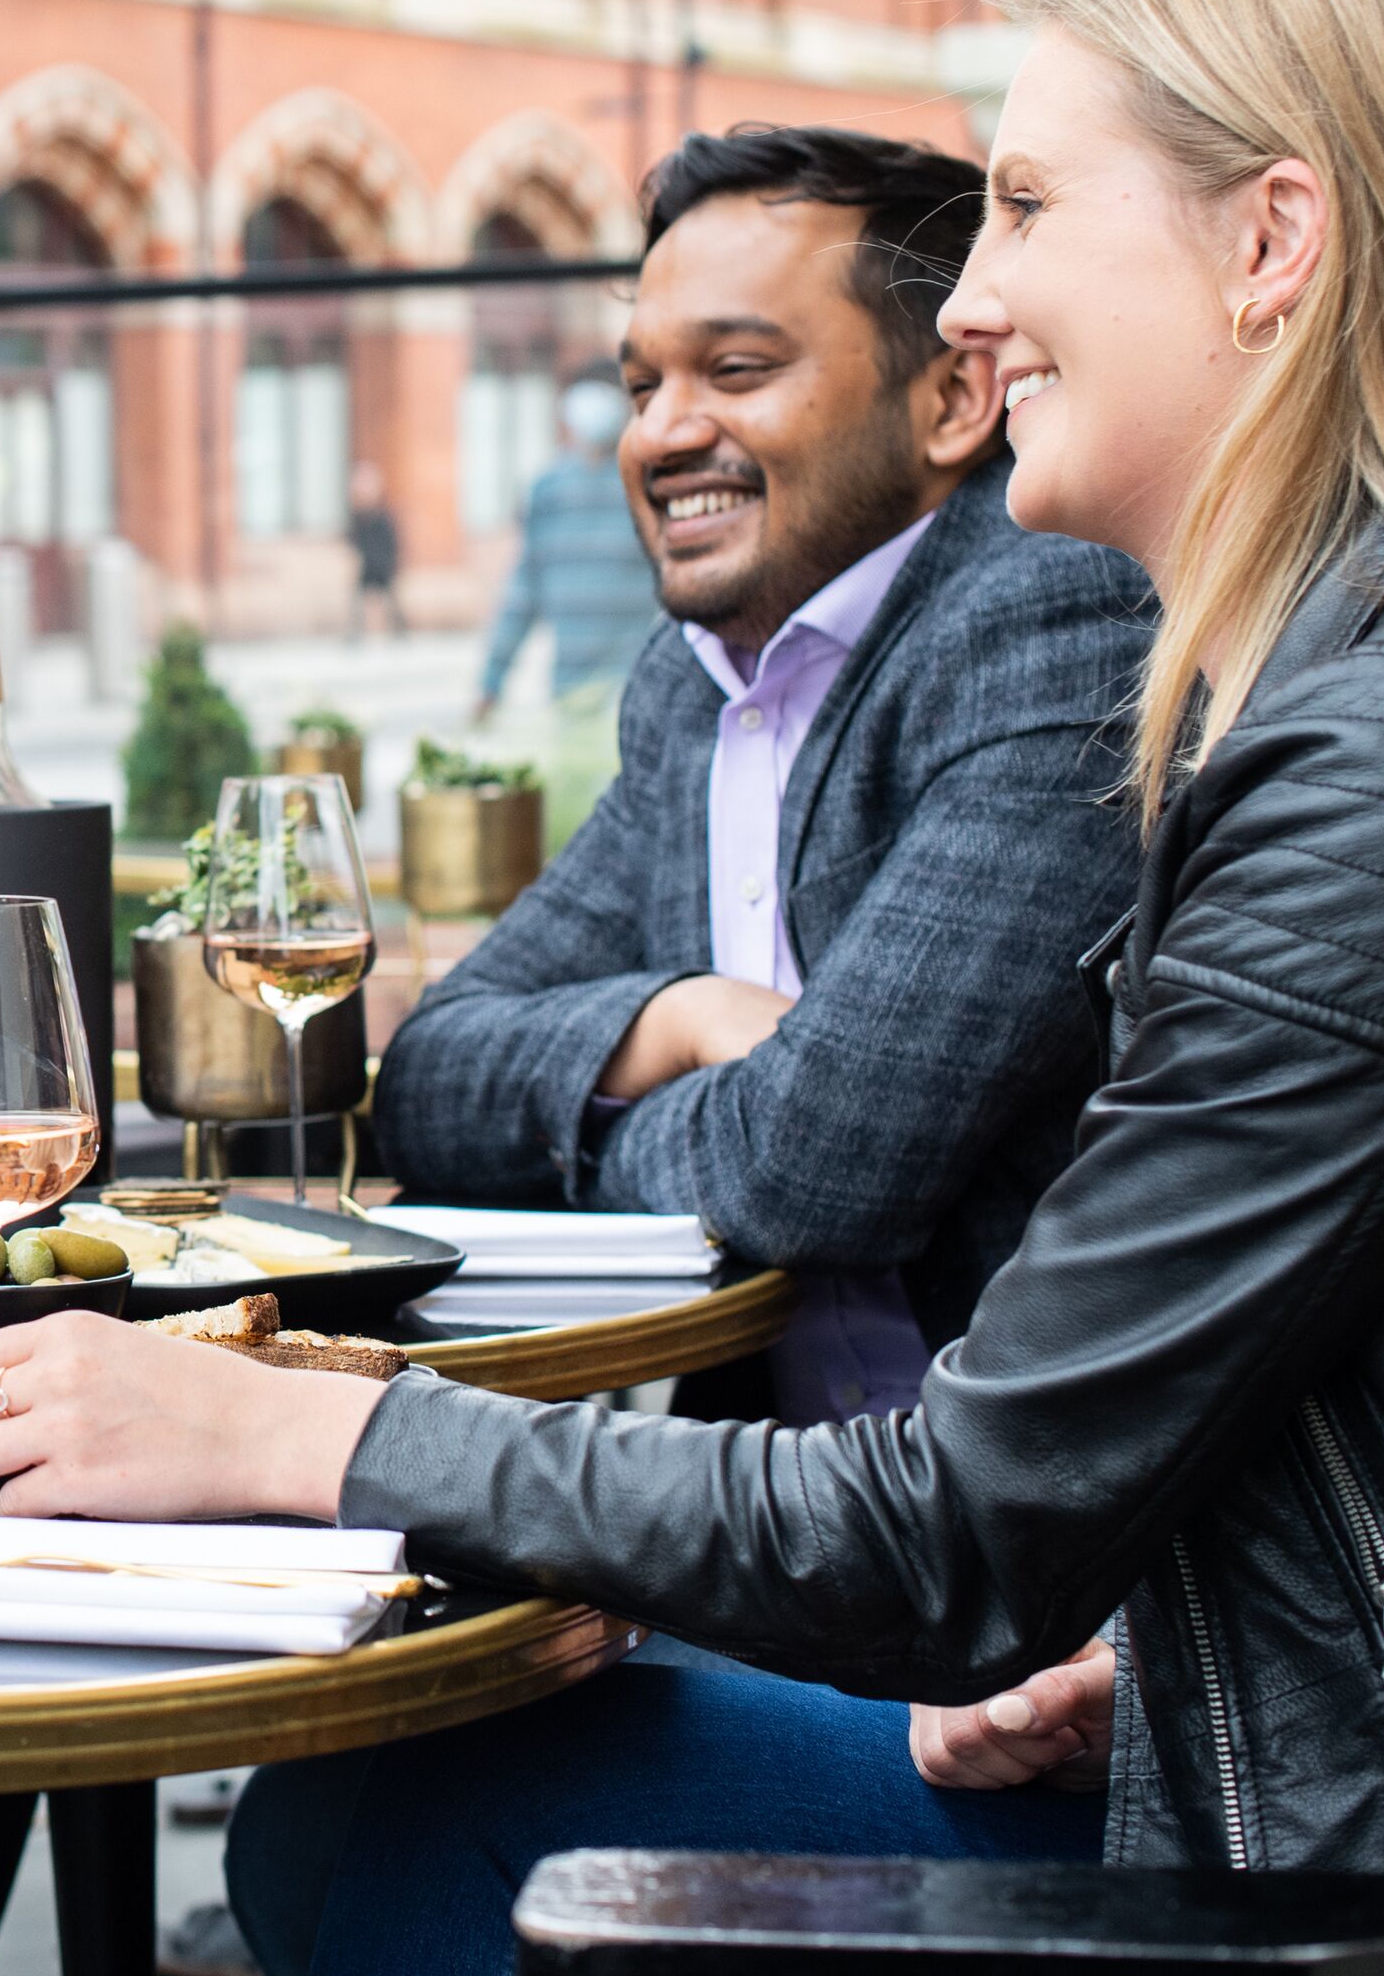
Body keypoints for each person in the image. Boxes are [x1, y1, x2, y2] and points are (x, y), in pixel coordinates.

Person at [0, 0, 1384, 1976]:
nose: (979, 304)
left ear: (1272, 245)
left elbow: (948, 1503)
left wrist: (311, 1425)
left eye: (1034, 209)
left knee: (437, 1802)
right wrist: (1179, 1621)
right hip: (1323, 1746)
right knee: (377, 1793)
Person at [391, 126, 1152, 1425]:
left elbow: (815, 1164)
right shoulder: (696, 685)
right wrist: (675, 1019)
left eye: (737, 369)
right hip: (779, 1524)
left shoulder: (1049, 622)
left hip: (1045, 1564)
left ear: (956, 400)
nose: (662, 434)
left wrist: (615, 1112)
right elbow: (426, 1080)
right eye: (642, 386)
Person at [466, 380, 658, 722]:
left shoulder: (648, 486)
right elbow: (523, 594)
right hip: (570, 689)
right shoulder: (548, 491)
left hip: (638, 688)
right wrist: (491, 682)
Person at [344, 460, 407, 637]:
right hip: (367, 565)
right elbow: (353, 540)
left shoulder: (383, 515)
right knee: (357, 601)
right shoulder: (358, 515)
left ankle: (400, 632)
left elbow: (392, 542)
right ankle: (354, 634)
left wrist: (391, 563)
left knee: (392, 601)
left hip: (382, 565)